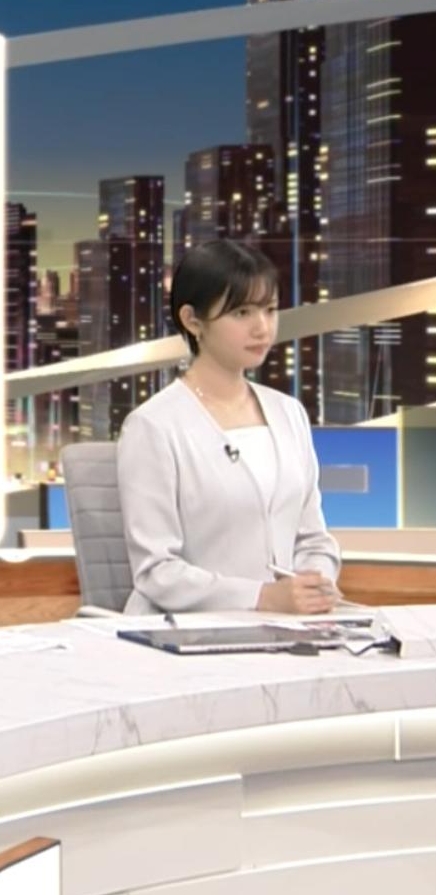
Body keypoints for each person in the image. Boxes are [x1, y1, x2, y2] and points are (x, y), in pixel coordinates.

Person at [117, 238, 341, 615]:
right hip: (184, 631)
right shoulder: (153, 426)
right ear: (193, 320)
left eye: (270, 310)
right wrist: (262, 597)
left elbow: (313, 539)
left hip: (288, 625)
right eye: (242, 313)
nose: (262, 328)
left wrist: (313, 583)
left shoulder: (289, 413)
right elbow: (156, 571)